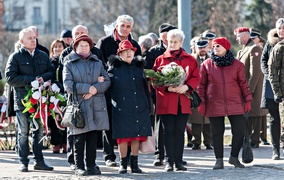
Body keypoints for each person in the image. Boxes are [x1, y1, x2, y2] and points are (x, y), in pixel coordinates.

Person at [197, 37, 252, 170]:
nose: (215, 48)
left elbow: (243, 84)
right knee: (216, 132)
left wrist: (248, 99)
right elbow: (201, 85)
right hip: (214, 102)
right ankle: (219, 159)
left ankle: (234, 157)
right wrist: (201, 102)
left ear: (226, 47)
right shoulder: (206, 64)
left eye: (218, 46)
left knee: (239, 131)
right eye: (214, 46)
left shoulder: (237, 64)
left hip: (235, 102)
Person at [5, 28, 55, 172]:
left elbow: (52, 72)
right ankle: (23, 162)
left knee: (38, 132)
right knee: (23, 132)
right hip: (22, 101)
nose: (33, 40)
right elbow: (10, 78)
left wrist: (43, 79)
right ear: (21, 42)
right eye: (30, 38)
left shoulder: (43, 55)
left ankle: (39, 161)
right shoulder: (15, 57)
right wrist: (31, 80)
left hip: (41, 100)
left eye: (34, 38)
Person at [96, 14, 141, 167]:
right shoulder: (104, 42)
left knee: (127, 123)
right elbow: (98, 63)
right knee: (109, 122)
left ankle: (127, 157)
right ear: (116, 26)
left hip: (128, 91)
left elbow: (138, 65)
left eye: (128, 26)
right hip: (109, 89)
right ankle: (109, 155)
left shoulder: (135, 44)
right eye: (122, 25)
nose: (125, 29)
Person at [152, 29, 200, 172]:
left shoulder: (190, 59)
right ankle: (168, 161)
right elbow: (154, 80)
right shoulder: (160, 59)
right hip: (167, 101)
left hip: (183, 101)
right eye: (170, 41)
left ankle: (179, 161)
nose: (172, 44)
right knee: (168, 131)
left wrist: (186, 86)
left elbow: (196, 77)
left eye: (175, 42)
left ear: (181, 42)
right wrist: (167, 88)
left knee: (179, 131)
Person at [63, 34, 110, 176]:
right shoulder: (69, 63)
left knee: (92, 137)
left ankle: (92, 165)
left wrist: (95, 89)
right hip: (79, 104)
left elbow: (107, 81)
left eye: (86, 45)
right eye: (81, 45)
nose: (84, 48)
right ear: (75, 47)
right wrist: (87, 88)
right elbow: (68, 85)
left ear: (90, 47)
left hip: (95, 103)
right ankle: (79, 166)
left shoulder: (97, 62)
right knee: (78, 137)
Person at [107, 40, 152, 174]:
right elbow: (108, 89)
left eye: (131, 51)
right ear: (119, 54)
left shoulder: (139, 67)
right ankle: (123, 164)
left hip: (139, 105)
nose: (128, 54)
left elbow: (144, 88)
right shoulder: (113, 68)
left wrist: (147, 105)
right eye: (125, 52)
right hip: (121, 107)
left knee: (136, 135)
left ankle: (135, 163)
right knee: (123, 136)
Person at [144, 23, 178, 167]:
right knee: (160, 124)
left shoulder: (178, 50)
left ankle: (176, 155)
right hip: (159, 93)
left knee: (176, 124)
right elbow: (147, 72)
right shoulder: (153, 52)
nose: (167, 39)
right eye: (165, 36)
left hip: (176, 92)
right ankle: (160, 155)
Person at [234, 27, 264, 148]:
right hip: (244, 87)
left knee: (255, 113)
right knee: (248, 114)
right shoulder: (243, 50)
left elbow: (255, 72)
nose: (236, 39)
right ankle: (248, 138)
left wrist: (249, 90)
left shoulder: (254, 48)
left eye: (238, 36)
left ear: (245, 36)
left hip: (253, 87)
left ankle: (255, 139)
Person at [262, 18, 284, 160]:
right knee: (274, 119)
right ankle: (275, 150)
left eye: (283, 28)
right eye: (279, 28)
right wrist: (271, 78)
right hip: (273, 86)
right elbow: (264, 63)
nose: (281, 31)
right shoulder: (270, 43)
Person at [188, 37, 213, 150]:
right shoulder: (192, 60)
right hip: (195, 92)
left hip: (209, 92)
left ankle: (208, 141)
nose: (202, 50)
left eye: (204, 47)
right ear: (196, 48)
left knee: (208, 118)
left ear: (208, 47)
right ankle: (196, 141)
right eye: (200, 47)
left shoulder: (212, 59)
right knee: (196, 119)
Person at [250, 28, 270, 145]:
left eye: (254, 38)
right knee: (257, 111)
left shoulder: (260, 48)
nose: (252, 40)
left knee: (260, 112)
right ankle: (256, 136)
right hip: (257, 84)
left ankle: (261, 136)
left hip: (262, 82)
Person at [48, 39, 67, 153]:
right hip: (52, 94)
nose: (57, 49)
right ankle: (55, 143)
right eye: (55, 47)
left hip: (65, 92)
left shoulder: (67, 61)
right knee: (53, 119)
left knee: (65, 118)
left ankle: (65, 143)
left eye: (60, 46)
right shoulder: (50, 62)